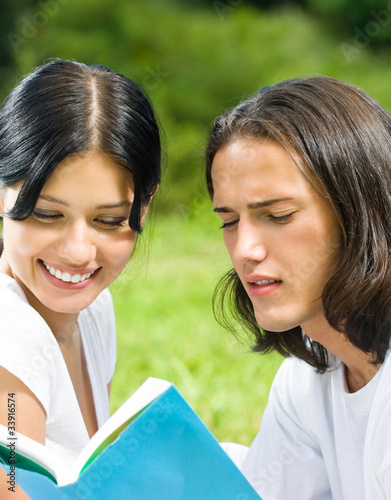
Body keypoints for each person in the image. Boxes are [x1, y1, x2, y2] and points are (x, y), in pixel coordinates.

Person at [205, 76, 391, 499]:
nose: (244, 250)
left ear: (362, 211)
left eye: (280, 215)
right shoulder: (307, 381)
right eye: (229, 221)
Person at [0, 59, 161, 498]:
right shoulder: (10, 338)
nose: (77, 252)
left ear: (144, 208)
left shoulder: (93, 307)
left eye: (108, 221)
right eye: (47, 214)